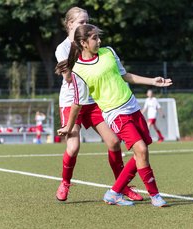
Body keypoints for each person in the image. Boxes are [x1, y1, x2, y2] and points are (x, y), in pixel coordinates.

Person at [56, 24, 172, 206]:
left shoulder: (108, 52)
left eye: (98, 37)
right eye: (94, 38)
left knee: (141, 153)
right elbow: (77, 102)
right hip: (114, 113)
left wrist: (152, 82)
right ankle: (155, 196)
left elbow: (125, 76)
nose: (99, 41)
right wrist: (68, 127)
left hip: (132, 106)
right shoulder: (78, 70)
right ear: (83, 43)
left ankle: (114, 192)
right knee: (140, 150)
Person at [54, 7, 142, 202]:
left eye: (87, 21)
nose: (85, 25)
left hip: (93, 102)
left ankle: (122, 187)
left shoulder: (94, 45)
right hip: (72, 102)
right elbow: (69, 79)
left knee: (113, 142)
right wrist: (69, 69)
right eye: (80, 22)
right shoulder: (63, 48)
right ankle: (65, 182)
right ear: (69, 25)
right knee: (73, 146)